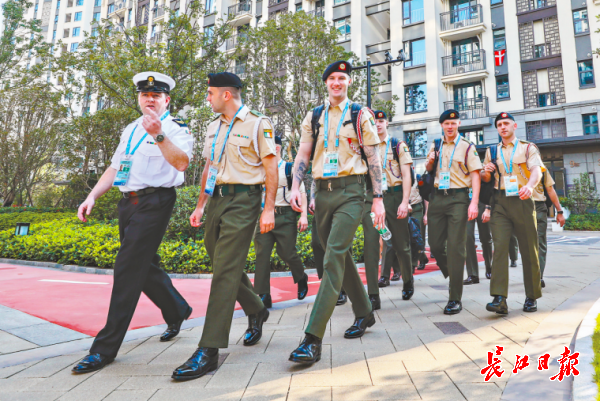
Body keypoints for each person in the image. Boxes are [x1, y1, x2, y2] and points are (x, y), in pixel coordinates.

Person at [72, 72, 194, 373]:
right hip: (128, 202)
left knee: (126, 268)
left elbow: (181, 163)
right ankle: (177, 308)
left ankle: (104, 348)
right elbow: (116, 167)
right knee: (143, 265)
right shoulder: (130, 128)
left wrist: (159, 135)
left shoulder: (176, 128)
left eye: (156, 95)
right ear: (139, 98)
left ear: (167, 100)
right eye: (144, 95)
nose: (149, 99)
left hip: (156, 202)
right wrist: (92, 196)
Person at [172, 72, 278, 381]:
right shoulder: (213, 127)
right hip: (216, 200)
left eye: (210, 93)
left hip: (245, 200)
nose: (208, 98)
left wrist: (268, 208)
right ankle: (257, 309)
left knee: (224, 272)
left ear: (226, 95)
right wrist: (201, 204)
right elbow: (209, 165)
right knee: (219, 260)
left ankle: (209, 349)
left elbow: (271, 166)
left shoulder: (258, 123)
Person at [287, 60, 384, 364]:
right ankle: (365, 312)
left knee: (332, 257)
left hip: (352, 192)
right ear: (326, 83)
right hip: (322, 191)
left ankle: (312, 338)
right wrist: (295, 187)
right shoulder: (314, 116)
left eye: (342, 78)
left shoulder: (359, 114)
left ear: (348, 83)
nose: (337, 82)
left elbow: (373, 157)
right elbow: (303, 152)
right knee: (336, 254)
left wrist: (378, 197)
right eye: (332, 78)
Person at [482, 112, 543, 315]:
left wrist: (530, 186)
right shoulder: (492, 150)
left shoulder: (528, 147)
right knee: (499, 247)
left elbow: (536, 170)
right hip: (499, 202)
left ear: (514, 126)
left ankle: (532, 296)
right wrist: (487, 171)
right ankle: (499, 298)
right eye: (499, 124)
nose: (503, 127)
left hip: (523, 200)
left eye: (506, 123)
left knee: (529, 249)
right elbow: (485, 177)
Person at [425, 109, 482, 315]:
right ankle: (451, 271)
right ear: (442, 126)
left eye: (454, 123)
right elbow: (429, 169)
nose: (450, 127)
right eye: (446, 124)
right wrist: (431, 159)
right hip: (437, 197)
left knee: (456, 247)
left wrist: (473, 202)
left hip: (458, 198)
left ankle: (454, 298)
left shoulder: (467, 147)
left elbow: (476, 175)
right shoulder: (436, 144)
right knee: (435, 244)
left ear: (458, 124)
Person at [252, 136, 309, 307]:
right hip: (264, 216)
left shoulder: (289, 169)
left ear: (276, 148)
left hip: (285, 215)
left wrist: (304, 216)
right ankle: (263, 294)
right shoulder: (259, 169)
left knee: (286, 252)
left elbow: (302, 193)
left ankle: (301, 277)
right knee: (261, 254)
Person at [371, 110, 414, 300]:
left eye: (381, 121)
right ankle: (378, 282)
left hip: (395, 197)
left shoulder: (397, 145)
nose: (378, 124)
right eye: (374, 121)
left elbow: (407, 176)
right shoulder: (368, 146)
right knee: (377, 240)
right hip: (375, 199)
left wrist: (405, 202)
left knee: (401, 244)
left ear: (387, 123)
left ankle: (408, 281)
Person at [360, 110, 399, 310]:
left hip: (369, 197)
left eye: (377, 121)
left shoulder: (381, 144)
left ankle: (373, 293)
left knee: (372, 245)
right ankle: (341, 288)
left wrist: (377, 198)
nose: (374, 124)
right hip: (347, 195)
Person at [532, 169, 566, 287]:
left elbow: (550, 189)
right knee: (528, 244)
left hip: (538, 206)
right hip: (518, 206)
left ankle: (538, 276)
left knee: (539, 242)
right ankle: (532, 275)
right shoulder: (513, 164)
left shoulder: (541, 169)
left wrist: (559, 211)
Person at [463, 202, 493, 284]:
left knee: (485, 238)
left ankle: (489, 266)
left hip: (482, 203)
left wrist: (488, 208)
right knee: (467, 237)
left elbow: (488, 189)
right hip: (467, 202)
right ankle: (473, 274)